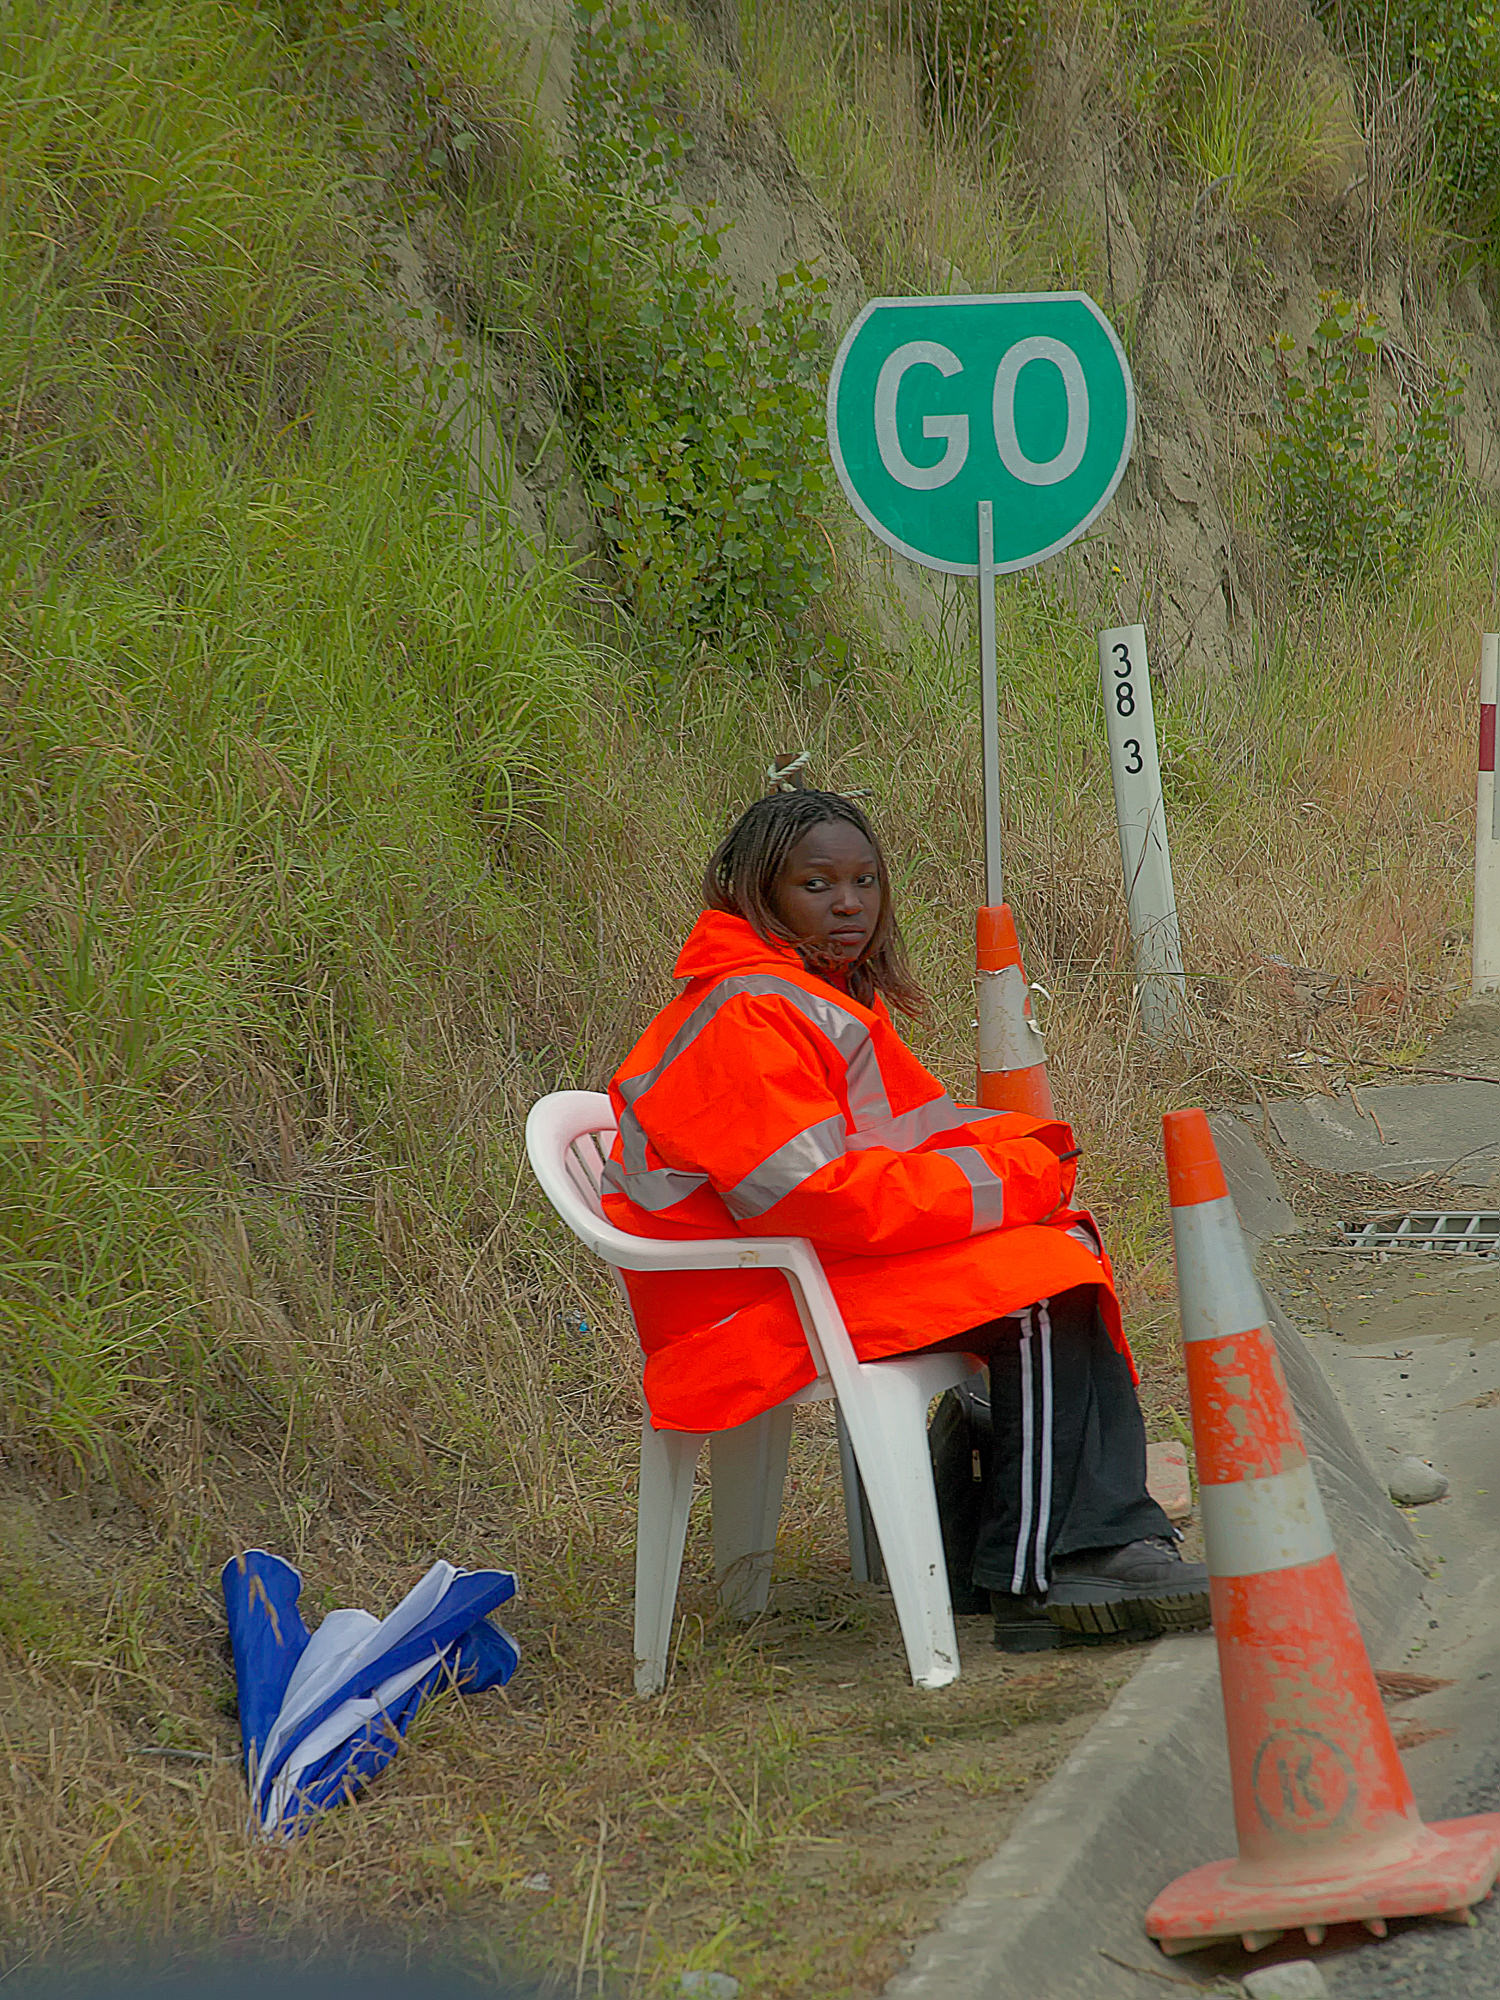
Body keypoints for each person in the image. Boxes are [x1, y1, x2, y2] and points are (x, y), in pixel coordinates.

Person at [602, 787, 1210, 1651]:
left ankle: (1085, 1539)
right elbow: (825, 1197)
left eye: (864, 880)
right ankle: (1049, 1570)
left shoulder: (815, 998)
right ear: (756, 892)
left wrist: (1032, 1158)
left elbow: (918, 1135)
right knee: (1043, 1284)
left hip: (799, 1269)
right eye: (816, 884)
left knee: (1058, 1252)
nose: (848, 902)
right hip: (742, 1304)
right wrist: (1016, 1181)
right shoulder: (747, 1011)